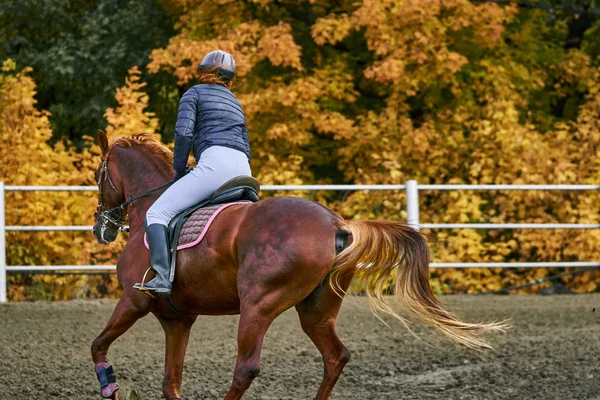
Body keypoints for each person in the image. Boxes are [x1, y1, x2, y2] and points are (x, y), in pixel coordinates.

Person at [134, 50, 252, 297]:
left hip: (215, 165)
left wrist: (178, 171)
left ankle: (162, 278)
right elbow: (245, 144)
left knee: (157, 213)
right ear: (230, 78)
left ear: (203, 71)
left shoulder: (194, 93)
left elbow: (184, 134)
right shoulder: (235, 102)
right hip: (244, 169)